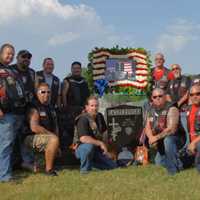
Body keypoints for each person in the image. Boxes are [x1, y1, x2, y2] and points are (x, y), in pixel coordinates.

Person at [0, 43, 26, 182]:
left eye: (12, 54)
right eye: (7, 53)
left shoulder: (11, 70)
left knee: (10, 144)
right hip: (5, 113)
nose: (10, 56)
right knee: (5, 144)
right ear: (1, 53)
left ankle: (6, 172)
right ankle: (4, 176)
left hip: (17, 111)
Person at [145, 88, 185, 175]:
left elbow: (171, 129)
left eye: (160, 96)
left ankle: (173, 171)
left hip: (176, 138)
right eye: (155, 97)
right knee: (159, 163)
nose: (157, 98)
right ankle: (181, 161)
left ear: (165, 97)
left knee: (168, 140)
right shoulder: (150, 109)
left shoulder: (172, 108)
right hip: (161, 140)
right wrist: (151, 137)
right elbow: (147, 127)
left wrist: (155, 137)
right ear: (152, 98)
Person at [73, 96, 117, 174]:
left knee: (113, 166)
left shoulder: (100, 116)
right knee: (88, 146)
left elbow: (104, 134)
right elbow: (83, 139)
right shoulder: (82, 119)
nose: (95, 108)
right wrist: (100, 143)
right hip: (81, 148)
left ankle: (92, 165)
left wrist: (108, 151)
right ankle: (85, 170)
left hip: (96, 150)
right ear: (86, 107)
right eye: (92, 106)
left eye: (96, 105)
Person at [23, 83, 59, 176]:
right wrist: (53, 136)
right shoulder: (33, 106)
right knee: (53, 140)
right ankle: (49, 170)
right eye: (43, 92)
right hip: (30, 138)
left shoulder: (51, 107)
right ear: (37, 93)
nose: (46, 94)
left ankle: (24, 164)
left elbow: (55, 126)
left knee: (38, 168)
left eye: (48, 92)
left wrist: (57, 144)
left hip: (45, 138)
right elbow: (34, 127)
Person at [11, 50, 36, 170]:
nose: (26, 59)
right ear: (17, 57)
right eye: (23, 56)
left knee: (25, 137)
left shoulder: (32, 72)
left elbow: (34, 90)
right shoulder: (10, 70)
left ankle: (26, 162)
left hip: (27, 110)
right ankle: (9, 165)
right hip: (11, 110)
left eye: (28, 57)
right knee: (10, 138)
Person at [61, 61, 90, 147]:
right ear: (71, 69)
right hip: (71, 110)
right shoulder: (67, 80)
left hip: (83, 110)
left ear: (80, 70)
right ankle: (72, 147)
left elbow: (87, 96)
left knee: (83, 129)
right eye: (74, 68)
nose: (76, 70)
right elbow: (63, 95)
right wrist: (65, 108)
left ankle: (82, 145)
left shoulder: (84, 80)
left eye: (78, 68)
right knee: (71, 130)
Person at [166, 64, 191, 143]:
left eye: (177, 68)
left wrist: (178, 104)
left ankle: (189, 150)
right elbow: (167, 95)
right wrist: (172, 105)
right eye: (173, 69)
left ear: (180, 69)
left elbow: (188, 93)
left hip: (184, 110)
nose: (175, 70)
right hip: (174, 112)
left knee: (187, 131)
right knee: (173, 132)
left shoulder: (186, 79)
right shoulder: (170, 82)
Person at [185, 85, 200, 172]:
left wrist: (193, 143)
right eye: (192, 94)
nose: (195, 96)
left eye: (198, 94)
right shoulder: (188, 109)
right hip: (191, 145)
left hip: (197, 144)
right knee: (179, 162)